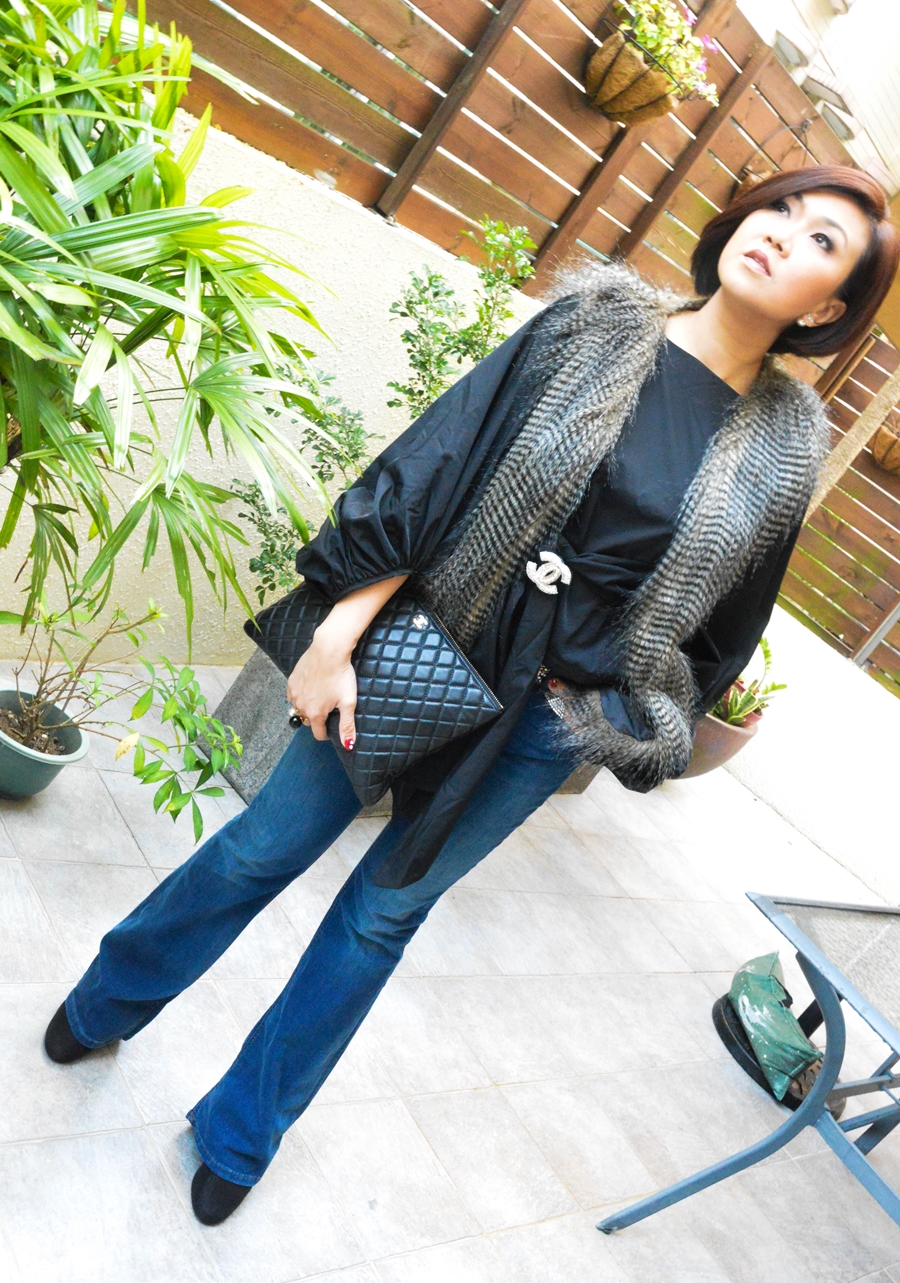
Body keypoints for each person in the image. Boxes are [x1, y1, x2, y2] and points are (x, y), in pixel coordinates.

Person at [44, 167, 899, 1224]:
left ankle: (240, 1131)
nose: (779, 234)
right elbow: (438, 463)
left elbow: (726, 627)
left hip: (543, 724)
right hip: (427, 641)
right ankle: (108, 999)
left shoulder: (781, 451)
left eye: (820, 241)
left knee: (381, 919)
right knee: (263, 847)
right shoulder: (594, 326)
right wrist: (338, 632)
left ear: (825, 308)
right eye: (778, 208)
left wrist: (616, 712)